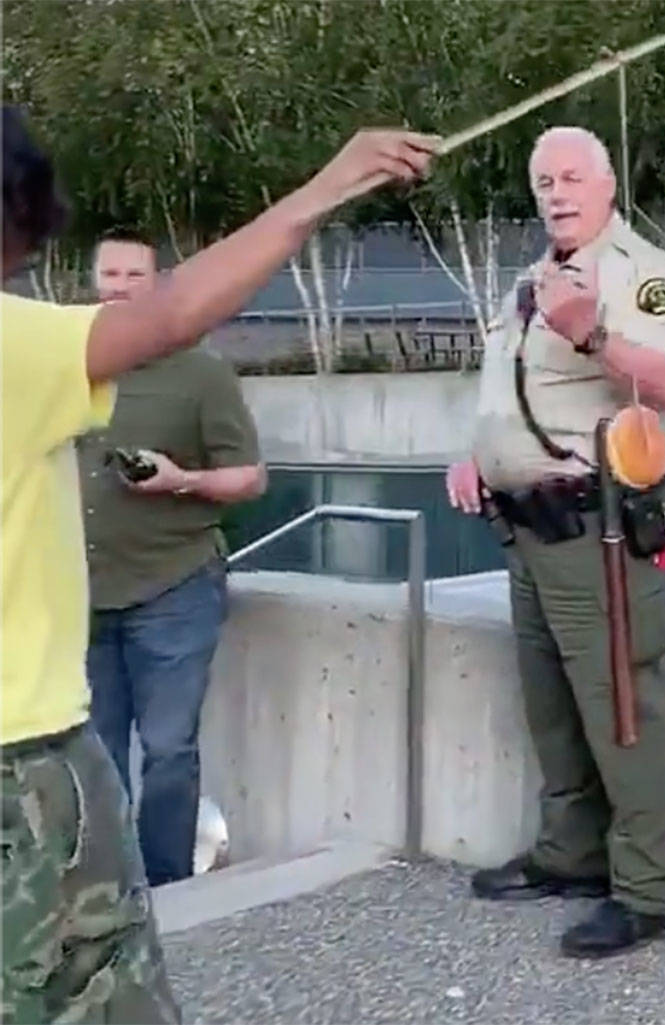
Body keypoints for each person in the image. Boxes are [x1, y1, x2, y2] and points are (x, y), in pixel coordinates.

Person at [1, 103, 437, 1023]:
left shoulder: (172, 378)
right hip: (23, 757)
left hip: (158, 598)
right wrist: (327, 186)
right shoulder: (14, 344)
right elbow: (176, 311)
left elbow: (235, 460)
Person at [446, 126, 665, 959]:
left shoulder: (645, 276)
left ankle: (650, 889)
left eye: (570, 178)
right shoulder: (529, 281)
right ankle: (572, 853)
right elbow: (514, 390)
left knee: (622, 708)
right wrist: (479, 454)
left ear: (607, 183)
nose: (555, 193)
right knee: (552, 707)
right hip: (527, 526)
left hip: (601, 526)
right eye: (543, 180)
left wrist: (592, 333)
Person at [77, 234, 266, 887]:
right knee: (93, 755)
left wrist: (180, 479)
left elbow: (249, 478)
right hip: (85, 593)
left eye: (136, 273)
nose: (121, 284)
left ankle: (168, 891)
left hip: (174, 588)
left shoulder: (202, 373)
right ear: (94, 279)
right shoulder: (72, 365)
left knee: (166, 750)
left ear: (158, 284)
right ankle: (105, 891)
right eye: (110, 272)